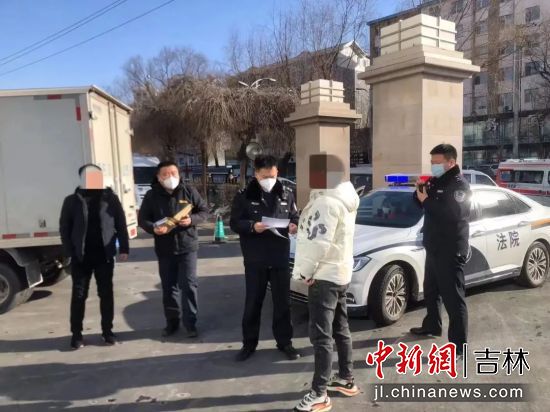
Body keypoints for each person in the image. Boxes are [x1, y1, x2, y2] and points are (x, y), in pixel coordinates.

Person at [292, 154, 360, 412]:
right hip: (340, 272)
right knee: (341, 328)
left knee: (321, 336)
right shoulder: (345, 197)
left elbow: (318, 243)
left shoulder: (326, 202)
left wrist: (305, 273)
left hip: (324, 275)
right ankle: (346, 378)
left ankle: (319, 394)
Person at [230, 155, 301, 362]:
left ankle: (285, 342)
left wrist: (294, 224)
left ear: (277, 172)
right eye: (264, 176)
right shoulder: (244, 195)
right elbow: (234, 223)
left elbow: (295, 215)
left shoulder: (286, 193)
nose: (269, 180)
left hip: (279, 257)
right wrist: (252, 226)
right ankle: (249, 344)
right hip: (256, 259)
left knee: (282, 303)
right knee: (253, 303)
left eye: (272, 175)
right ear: (256, 174)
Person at [59, 164, 129, 350]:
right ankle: (76, 334)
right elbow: (64, 228)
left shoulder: (110, 199)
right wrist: (69, 251)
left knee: (106, 294)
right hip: (81, 257)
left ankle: (107, 331)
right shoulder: (71, 201)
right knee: (79, 295)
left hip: (104, 256)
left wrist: (124, 248)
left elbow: (121, 224)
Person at [411, 144, 471, 356]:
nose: (433, 166)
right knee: (431, 290)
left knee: (453, 298)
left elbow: (452, 215)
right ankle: (432, 325)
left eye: (437, 163)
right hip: (434, 246)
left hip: (450, 249)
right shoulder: (437, 181)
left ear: (451, 162)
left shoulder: (459, 185)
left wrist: (426, 200)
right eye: (432, 162)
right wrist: (420, 191)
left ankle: (458, 345)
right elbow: (420, 204)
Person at [138, 161, 208, 338]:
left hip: (187, 246)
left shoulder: (188, 191)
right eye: (166, 174)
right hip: (165, 249)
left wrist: (191, 220)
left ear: (179, 174)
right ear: (158, 177)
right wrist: (153, 228)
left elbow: (204, 211)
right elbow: (143, 219)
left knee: (189, 285)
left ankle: (190, 324)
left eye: (173, 173)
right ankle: (172, 323)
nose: (170, 177)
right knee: (169, 288)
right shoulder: (152, 195)